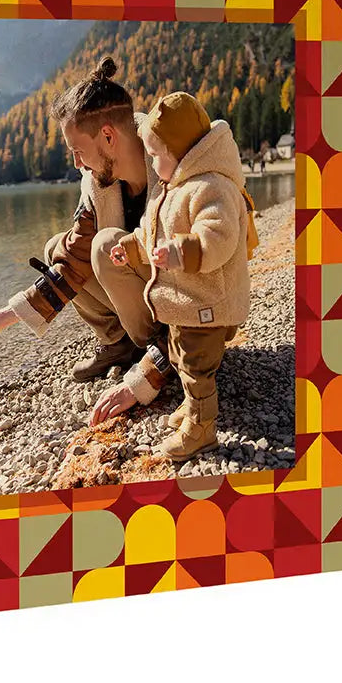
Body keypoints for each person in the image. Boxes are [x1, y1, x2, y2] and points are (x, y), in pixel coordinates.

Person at [0, 57, 171, 412]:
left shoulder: (170, 166)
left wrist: (147, 377)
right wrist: (7, 315)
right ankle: (119, 343)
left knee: (106, 246)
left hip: (189, 322)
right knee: (58, 245)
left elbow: (196, 283)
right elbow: (72, 260)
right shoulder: (96, 184)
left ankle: (154, 352)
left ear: (107, 135)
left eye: (78, 152)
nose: (76, 164)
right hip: (145, 294)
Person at [109, 92, 251, 461]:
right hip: (185, 304)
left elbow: (218, 238)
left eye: (156, 155)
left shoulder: (210, 187)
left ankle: (202, 430)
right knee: (178, 354)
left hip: (208, 303)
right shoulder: (174, 189)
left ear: (181, 151)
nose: (152, 163)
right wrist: (133, 246)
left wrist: (181, 251)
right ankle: (192, 411)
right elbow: (151, 231)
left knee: (196, 367)